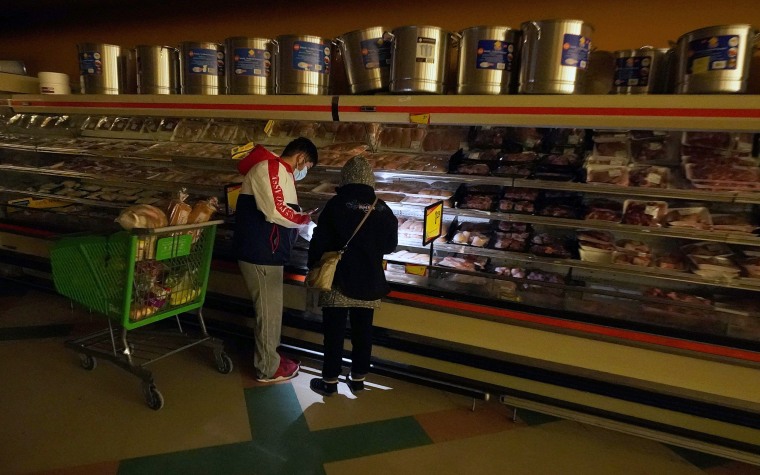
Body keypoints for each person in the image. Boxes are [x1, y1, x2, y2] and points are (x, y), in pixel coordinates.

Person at [307, 156, 398, 396]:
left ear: (345, 177)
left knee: (334, 332)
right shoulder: (383, 208)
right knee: (363, 331)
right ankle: (358, 378)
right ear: (370, 179)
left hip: (339, 278)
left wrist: (313, 265)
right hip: (370, 280)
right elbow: (391, 245)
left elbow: (319, 239)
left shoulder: (336, 204)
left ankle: (329, 382)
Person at [234, 137, 318, 382]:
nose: (305, 171)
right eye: (308, 166)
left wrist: (314, 234)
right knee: (268, 312)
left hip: (270, 252)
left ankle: (271, 356)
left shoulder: (282, 174)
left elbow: (289, 212)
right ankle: (267, 368)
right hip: (260, 252)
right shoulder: (269, 168)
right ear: (301, 157)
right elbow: (275, 212)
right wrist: (303, 221)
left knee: (272, 310)